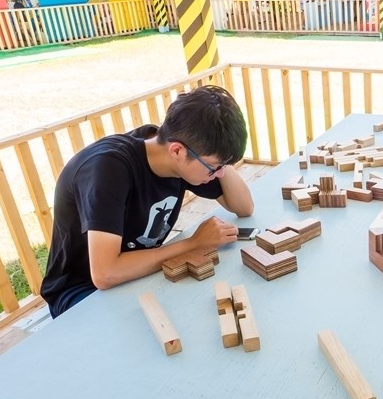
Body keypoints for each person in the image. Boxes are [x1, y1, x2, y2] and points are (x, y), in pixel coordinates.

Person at [41, 85, 254, 319]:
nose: (220, 174)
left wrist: (224, 154)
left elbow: (244, 207)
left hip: (137, 274)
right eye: (215, 167)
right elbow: (104, 274)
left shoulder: (175, 155)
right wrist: (194, 243)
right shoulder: (108, 170)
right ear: (177, 151)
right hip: (80, 292)